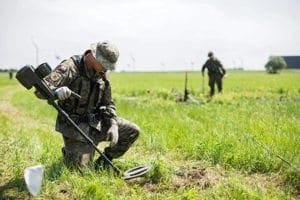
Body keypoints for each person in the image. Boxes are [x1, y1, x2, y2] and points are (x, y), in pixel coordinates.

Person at [35, 41, 140, 169]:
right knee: (80, 171)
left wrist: (113, 125)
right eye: (104, 64)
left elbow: (108, 103)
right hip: (75, 127)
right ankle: (72, 154)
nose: (106, 68)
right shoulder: (69, 67)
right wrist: (55, 92)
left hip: (97, 123)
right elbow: (40, 91)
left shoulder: (102, 73)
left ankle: (104, 164)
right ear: (93, 56)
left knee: (132, 131)